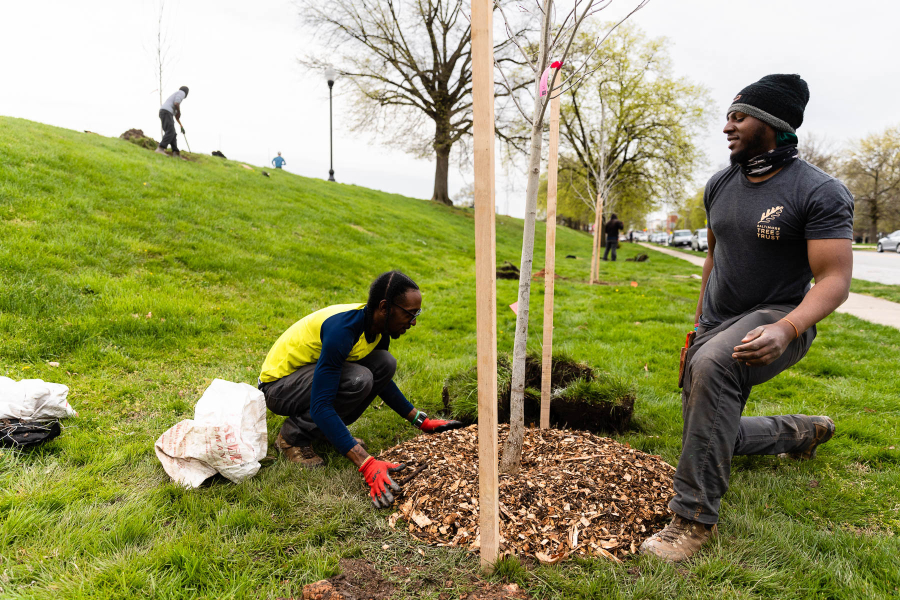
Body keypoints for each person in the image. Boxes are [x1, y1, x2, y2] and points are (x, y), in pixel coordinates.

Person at [640, 74, 853, 562]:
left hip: (781, 317)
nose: (727, 127)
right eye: (728, 117)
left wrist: (786, 328)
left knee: (716, 365)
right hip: (719, 320)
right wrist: (697, 326)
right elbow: (714, 259)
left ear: (773, 124)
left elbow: (835, 279)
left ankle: (691, 521)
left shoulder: (819, 191)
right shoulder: (721, 184)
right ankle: (800, 431)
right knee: (710, 430)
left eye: (738, 117)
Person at [258, 271, 464, 508]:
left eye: (417, 313)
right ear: (385, 307)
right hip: (278, 387)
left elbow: (383, 381)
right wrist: (366, 463)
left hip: (306, 380)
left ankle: (325, 431)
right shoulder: (343, 330)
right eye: (410, 313)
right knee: (358, 379)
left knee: (384, 363)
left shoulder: (378, 328)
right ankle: (292, 437)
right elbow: (321, 405)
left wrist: (420, 420)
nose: (414, 321)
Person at [156, 86, 189, 159]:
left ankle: (176, 153)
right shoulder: (181, 93)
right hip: (166, 112)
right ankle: (161, 148)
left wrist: (177, 116)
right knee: (170, 131)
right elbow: (176, 103)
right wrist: (179, 112)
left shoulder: (176, 94)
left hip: (166, 112)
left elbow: (175, 114)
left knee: (173, 133)